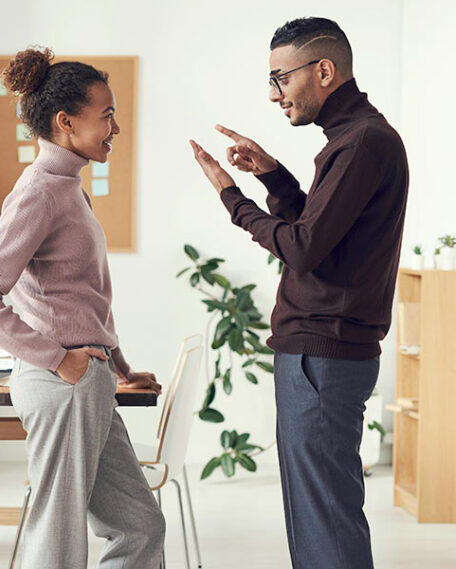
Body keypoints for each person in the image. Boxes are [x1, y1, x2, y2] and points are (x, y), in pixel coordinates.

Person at [190, 17, 408, 569]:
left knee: (324, 521)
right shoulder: (354, 141)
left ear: (324, 71)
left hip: (322, 352)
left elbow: (305, 248)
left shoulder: (360, 144)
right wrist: (274, 176)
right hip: (323, 351)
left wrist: (231, 197)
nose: (272, 94)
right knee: (322, 515)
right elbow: (328, 239)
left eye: (280, 78)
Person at [0, 47, 165, 568]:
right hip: (63, 382)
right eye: (107, 116)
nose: (116, 127)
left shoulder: (69, 187)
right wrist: (59, 360)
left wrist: (120, 367)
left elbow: (84, 297)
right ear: (66, 121)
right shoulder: (40, 193)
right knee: (58, 535)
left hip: (88, 379)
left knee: (140, 525)